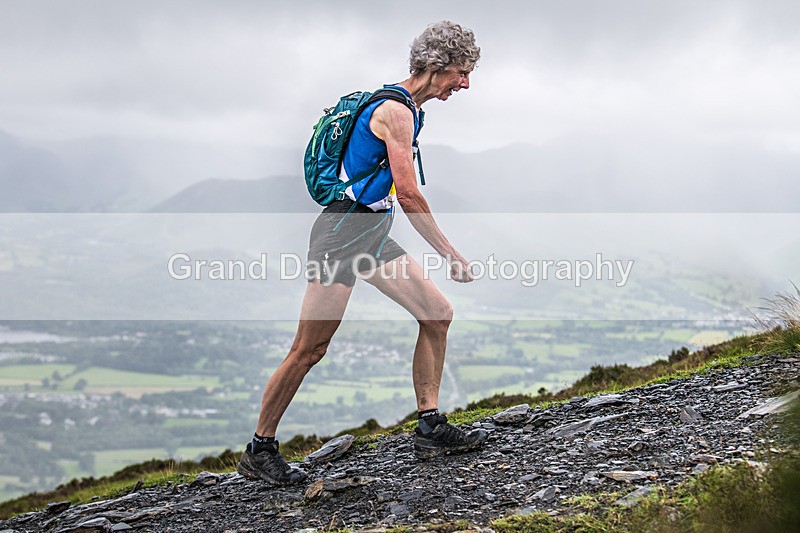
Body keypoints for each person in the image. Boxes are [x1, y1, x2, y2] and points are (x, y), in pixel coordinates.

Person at [237, 20, 486, 485]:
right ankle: (260, 449)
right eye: (462, 72)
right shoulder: (397, 112)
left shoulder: (407, 107)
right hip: (341, 234)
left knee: (436, 314)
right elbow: (409, 195)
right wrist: (451, 253)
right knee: (309, 349)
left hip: (368, 232)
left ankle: (430, 426)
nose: (466, 83)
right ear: (437, 66)